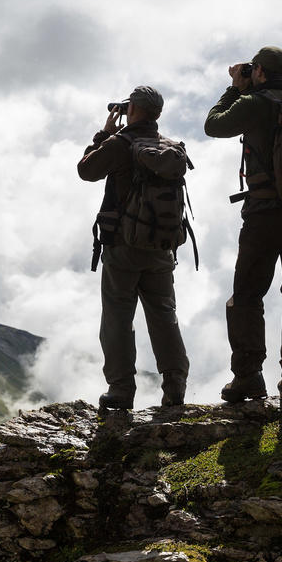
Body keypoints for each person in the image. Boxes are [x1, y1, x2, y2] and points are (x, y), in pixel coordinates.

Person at [204, 46, 282, 402]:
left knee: (248, 296)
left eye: (253, 69)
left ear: (261, 73)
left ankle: (249, 376)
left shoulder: (254, 103)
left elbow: (214, 124)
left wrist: (235, 87)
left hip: (265, 214)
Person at [77, 86, 190, 410]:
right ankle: (175, 385)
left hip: (124, 247)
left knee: (117, 318)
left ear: (134, 110)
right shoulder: (170, 148)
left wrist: (104, 134)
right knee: (163, 315)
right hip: (161, 248)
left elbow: (86, 170)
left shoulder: (121, 143)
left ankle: (121, 389)